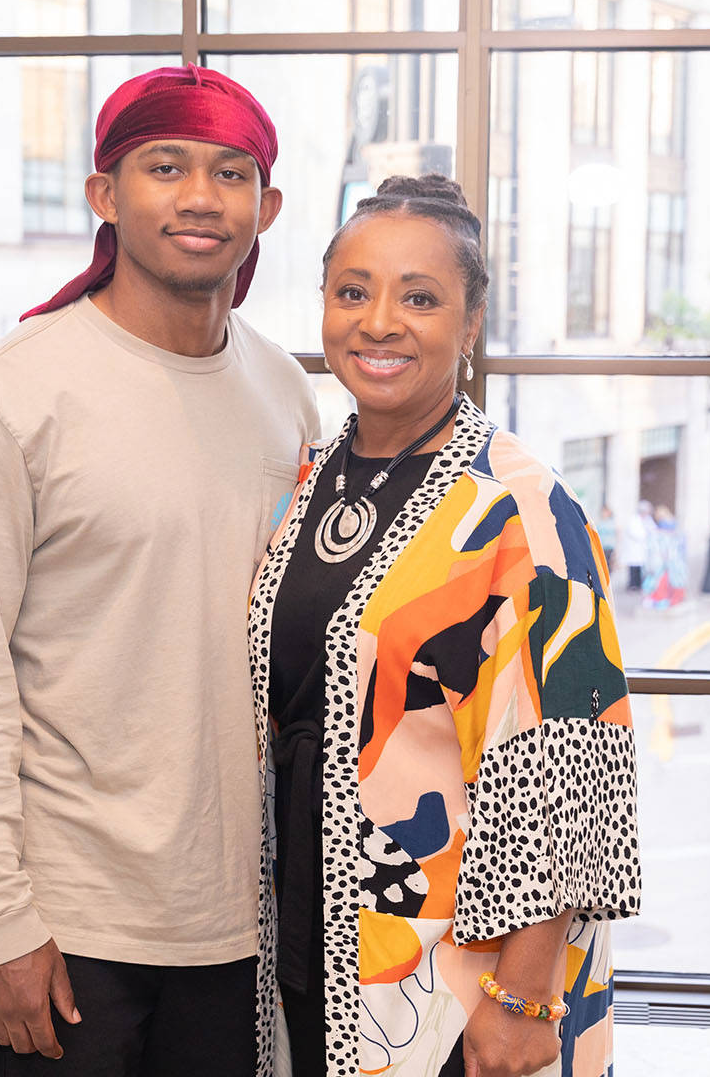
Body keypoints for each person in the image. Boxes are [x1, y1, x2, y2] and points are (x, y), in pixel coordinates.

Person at [0, 65, 319, 1076]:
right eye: (164, 167)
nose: (196, 196)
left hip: (234, 932)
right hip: (62, 933)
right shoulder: (9, 397)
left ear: (264, 210)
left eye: (230, 174)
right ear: (104, 194)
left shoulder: (285, 391)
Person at [248, 175, 642, 1077]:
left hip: (458, 993)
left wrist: (523, 1001)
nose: (378, 321)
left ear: (469, 327)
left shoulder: (519, 508)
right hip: (316, 955)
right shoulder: (316, 479)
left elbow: (568, 773)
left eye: (419, 298)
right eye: (353, 291)